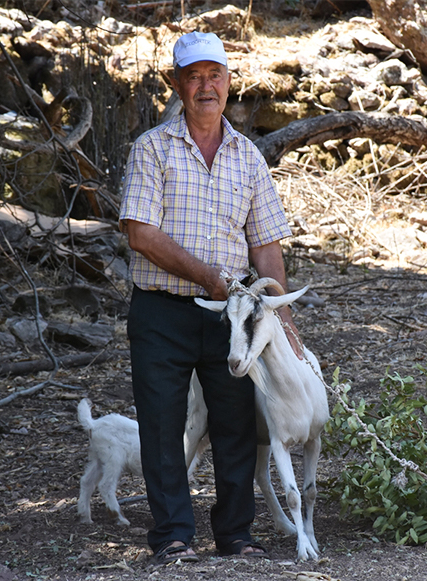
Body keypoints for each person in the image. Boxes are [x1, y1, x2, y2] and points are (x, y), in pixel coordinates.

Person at [118, 30, 302, 565]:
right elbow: (140, 234)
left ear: (228, 82)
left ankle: (235, 535)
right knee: (161, 424)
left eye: (214, 76)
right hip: (161, 312)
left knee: (236, 421)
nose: (206, 87)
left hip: (233, 317)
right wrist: (210, 280)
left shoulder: (248, 157)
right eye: (193, 76)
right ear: (176, 84)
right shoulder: (151, 148)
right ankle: (174, 535)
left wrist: (283, 322)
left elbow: (266, 249)